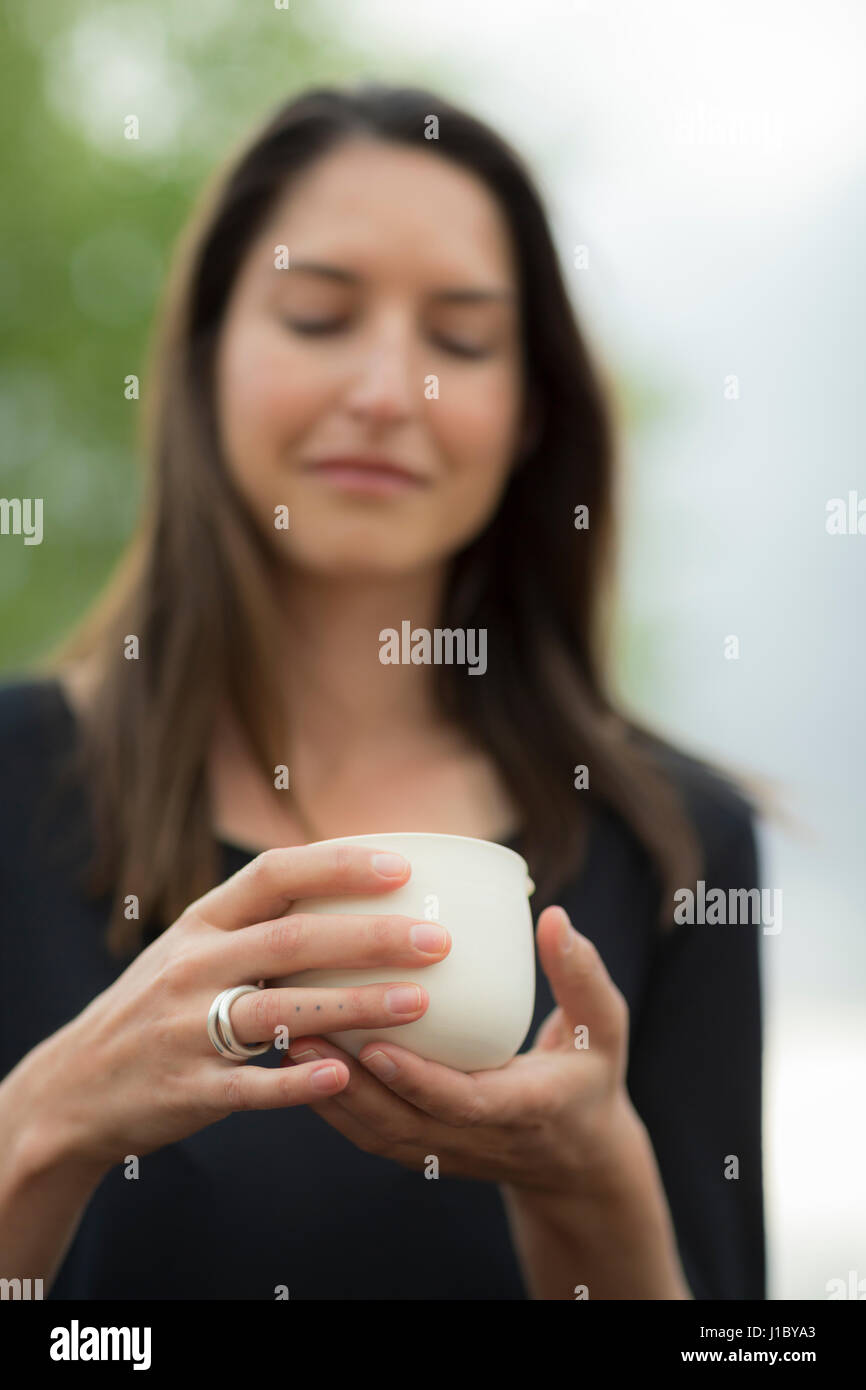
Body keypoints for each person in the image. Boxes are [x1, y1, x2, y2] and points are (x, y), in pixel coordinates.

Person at [0, 83, 765, 1301]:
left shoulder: (676, 841)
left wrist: (597, 1188)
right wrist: (41, 1128)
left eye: (459, 341)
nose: (385, 389)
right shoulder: (11, 779)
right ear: (203, 359)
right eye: (317, 316)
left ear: (529, 414)